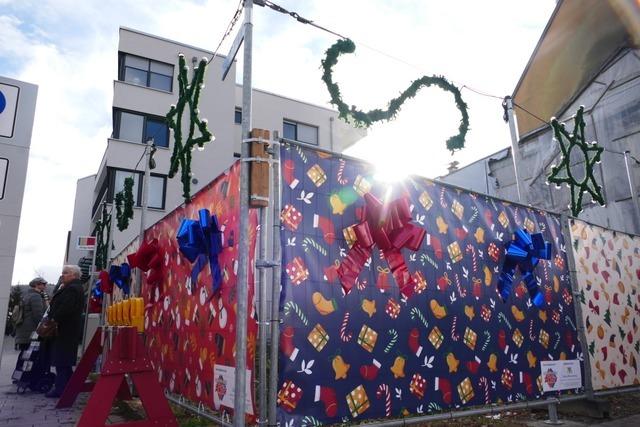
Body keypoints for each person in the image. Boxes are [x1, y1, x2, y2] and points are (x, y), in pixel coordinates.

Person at [45, 265, 84, 398]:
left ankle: (61, 388)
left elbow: (65, 308)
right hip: (66, 329)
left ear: (74, 275)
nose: (63, 275)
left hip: (65, 329)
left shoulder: (72, 289)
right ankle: (69, 387)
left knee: (62, 360)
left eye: (65, 273)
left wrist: (54, 319)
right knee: (64, 361)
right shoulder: (71, 287)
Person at [14, 277, 48, 371]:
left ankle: (18, 374)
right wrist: (44, 328)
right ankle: (26, 375)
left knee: (24, 353)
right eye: (43, 284)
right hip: (31, 331)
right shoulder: (36, 296)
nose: (45, 286)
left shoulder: (26, 295)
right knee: (30, 355)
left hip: (23, 330)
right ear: (37, 284)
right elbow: (38, 315)